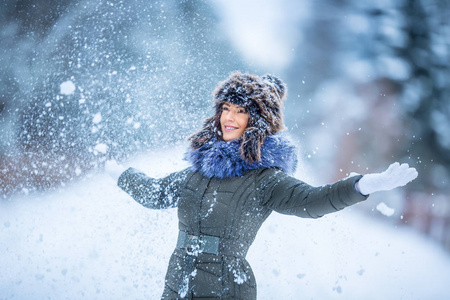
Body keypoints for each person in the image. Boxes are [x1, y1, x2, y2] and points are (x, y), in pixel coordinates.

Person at [110, 71, 418, 299]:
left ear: (256, 120)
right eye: (226, 109)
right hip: (177, 285)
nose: (228, 118)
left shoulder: (265, 180)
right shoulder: (198, 172)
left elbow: (312, 202)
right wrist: (119, 173)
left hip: (225, 289)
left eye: (240, 111)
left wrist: (362, 185)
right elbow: (156, 193)